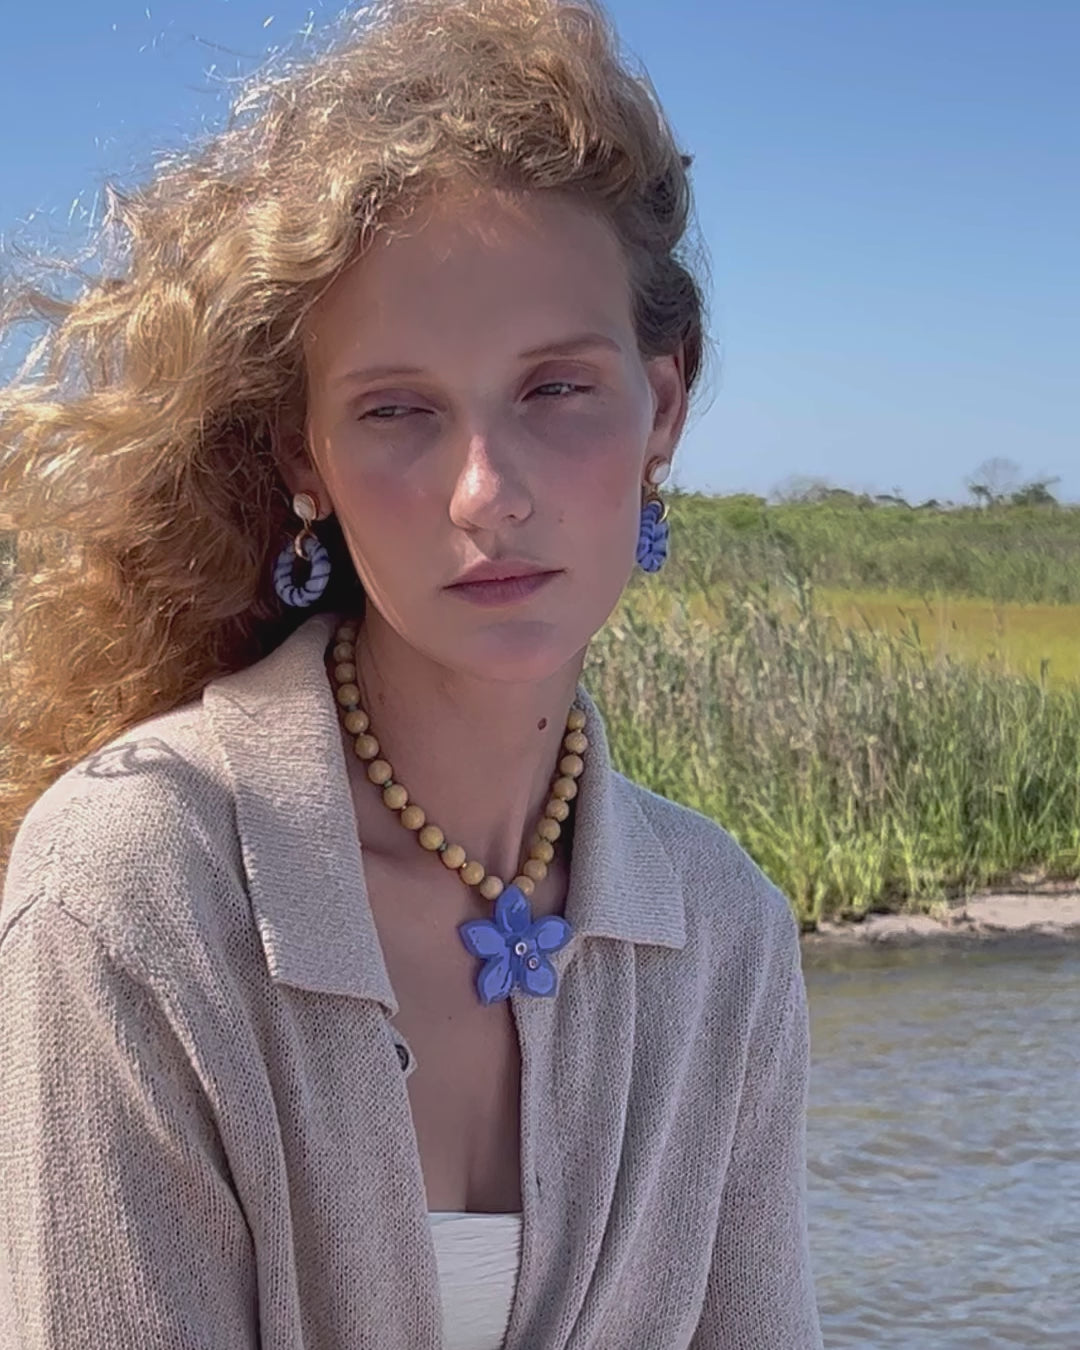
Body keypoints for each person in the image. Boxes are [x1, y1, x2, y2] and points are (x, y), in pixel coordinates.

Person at [0, 0, 823, 1346]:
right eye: (397, 411)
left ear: (661, 403)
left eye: (555, 388)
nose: (487, 494)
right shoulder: (129, 889)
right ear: (304, 458)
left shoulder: (727, 933)